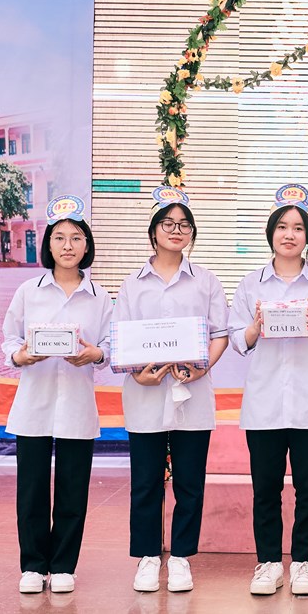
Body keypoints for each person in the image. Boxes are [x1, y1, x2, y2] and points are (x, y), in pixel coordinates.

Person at [229, 185, 308, 596]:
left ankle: (302, 564)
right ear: (271, 233)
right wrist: (255, 327)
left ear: (307, 237)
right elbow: (236, 339)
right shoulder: (251, 284)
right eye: (282, 226)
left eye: (298, 228)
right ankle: (268, 564)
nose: (289, 234)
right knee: (265, 488)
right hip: (264, 402)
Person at [115, 187, 230, 593]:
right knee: (145, 481)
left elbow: (220, 334)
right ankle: (148, 557)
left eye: (184, 225)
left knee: (189, 482)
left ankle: (180, 557)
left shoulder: (206, 281)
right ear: (153, 231)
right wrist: (137, 373)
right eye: (168, 223)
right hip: (144, 394)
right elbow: (122, 340)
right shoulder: (132, 285)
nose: (176, 230)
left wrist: (202, 368)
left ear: (192, 233)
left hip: (191, 394)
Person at [1, 195, 112, 594]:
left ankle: (64, 565)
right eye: (60, 237)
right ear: (48, 244)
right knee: (31, 489)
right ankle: (33, 565)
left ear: (87, 245)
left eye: (76, 237)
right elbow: (10, 338)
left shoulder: (100, 297)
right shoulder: (28, 291)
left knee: (73, 488)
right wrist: (21, 355)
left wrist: (95, 354)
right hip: (34, 403)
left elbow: (110, 346)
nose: (68, 245)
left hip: (78, 405)